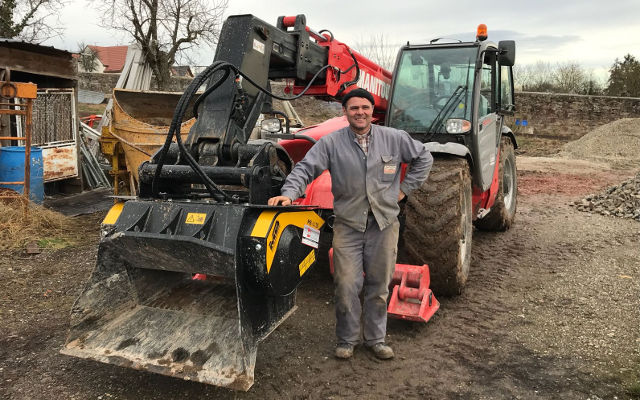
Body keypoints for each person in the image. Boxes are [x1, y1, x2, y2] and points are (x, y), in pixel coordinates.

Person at [268, 88, 433, 360]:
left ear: (372, 111)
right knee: (346, 285)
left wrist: (405, 189)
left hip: (384, 224)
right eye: (354, 108)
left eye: (365, 107)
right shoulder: (331, 143)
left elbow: (424, 157)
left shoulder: (393, 138)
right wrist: (288, 193)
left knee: (379, 286)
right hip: (348, 226)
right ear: (345, 112)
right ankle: (347, 340)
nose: (360, 112)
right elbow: (305, 169)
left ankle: (376, 339)